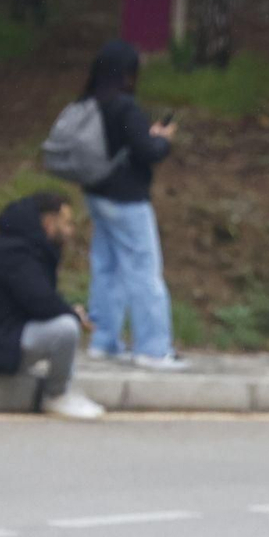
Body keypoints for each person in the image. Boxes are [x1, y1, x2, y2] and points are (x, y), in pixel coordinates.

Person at [0, 192, 105, 420]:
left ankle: (65, 389)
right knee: (66, 328)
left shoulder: (22, 244)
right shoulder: (18, 251)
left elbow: (37, 299)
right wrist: (73, 314)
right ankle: (56, 396)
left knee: (64, 321)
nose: (70, 231)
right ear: (48, 222)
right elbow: (40, 302)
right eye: (66, 223)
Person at [78, 39, 190, 372]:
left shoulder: (92, 102)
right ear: (127, 72)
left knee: (107, 268)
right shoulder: (124, 106)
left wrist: (147, 135)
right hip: (126, 200)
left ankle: (104, 340)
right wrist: (163, 138)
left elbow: (126, 143)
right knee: (143, 272)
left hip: (96, 195)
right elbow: (149, 151)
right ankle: (154, 349)